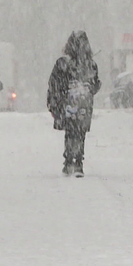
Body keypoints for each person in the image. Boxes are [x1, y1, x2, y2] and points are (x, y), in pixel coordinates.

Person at [47, 31, 101, 178]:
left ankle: (69, 160)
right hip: (84, 103)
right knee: (80, 132)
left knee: (70, 131)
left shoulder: (63, 63)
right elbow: (95, 84)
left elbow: (54, 83)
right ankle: (78, 161)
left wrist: (53, 102)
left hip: (68, 103)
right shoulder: (90, 64)